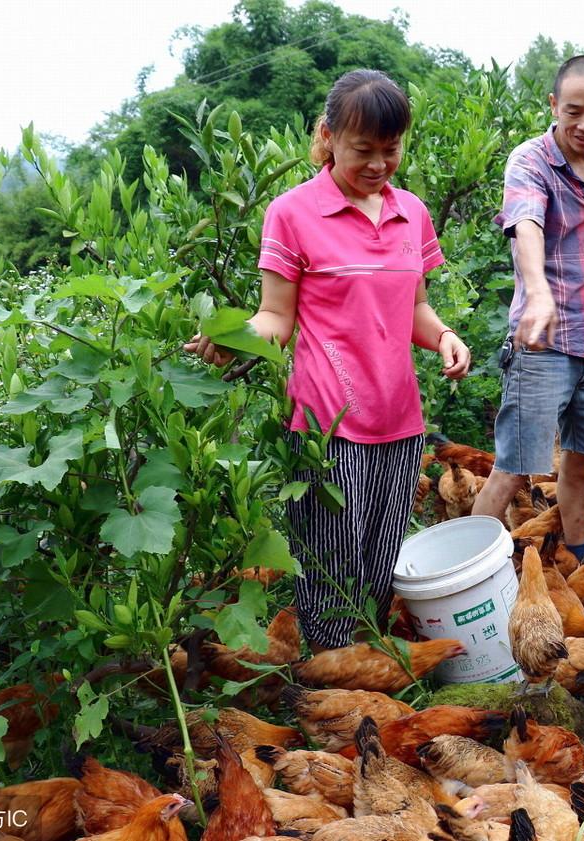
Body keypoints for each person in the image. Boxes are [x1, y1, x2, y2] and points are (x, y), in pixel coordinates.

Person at [185, 69, 471, 651]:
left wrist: (443, 335)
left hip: (399, 418)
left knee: (378, 561)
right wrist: (230, 338)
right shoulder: (292, 213)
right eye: (363, 150)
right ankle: (328, 682)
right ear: (328, 136)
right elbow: (275, 319)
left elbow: (414, 305)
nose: (377, 164)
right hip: (326, 424)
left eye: (390, 151)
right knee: (330, 568)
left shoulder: (410, 212)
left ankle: (360, 678)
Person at [470, 56, 584, 564]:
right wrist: (537, 292)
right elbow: (526, 223)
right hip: (541, 344)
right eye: (573, 110)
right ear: (553, 105)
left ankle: (579, 562)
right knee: (512, 470)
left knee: (580, 465)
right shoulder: (530, 161)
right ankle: (467, 574)